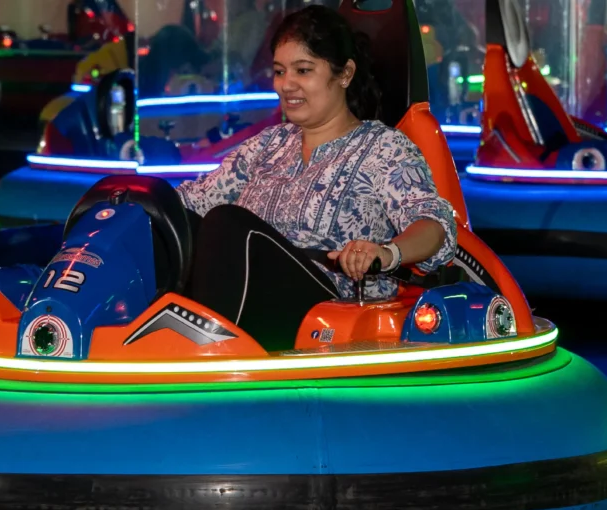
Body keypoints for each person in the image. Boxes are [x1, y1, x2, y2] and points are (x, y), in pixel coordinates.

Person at [175, 4, 457, 351]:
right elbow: (194, 201)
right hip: (250, 298)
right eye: (279, 72)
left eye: (303, 70)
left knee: (227, 225)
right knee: (165, 218)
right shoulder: (268, 145)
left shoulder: (383, 147)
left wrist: (388, 252)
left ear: (345, 74)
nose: (286, 85)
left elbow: (434, 226)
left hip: (329, 310)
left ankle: (206, 351)